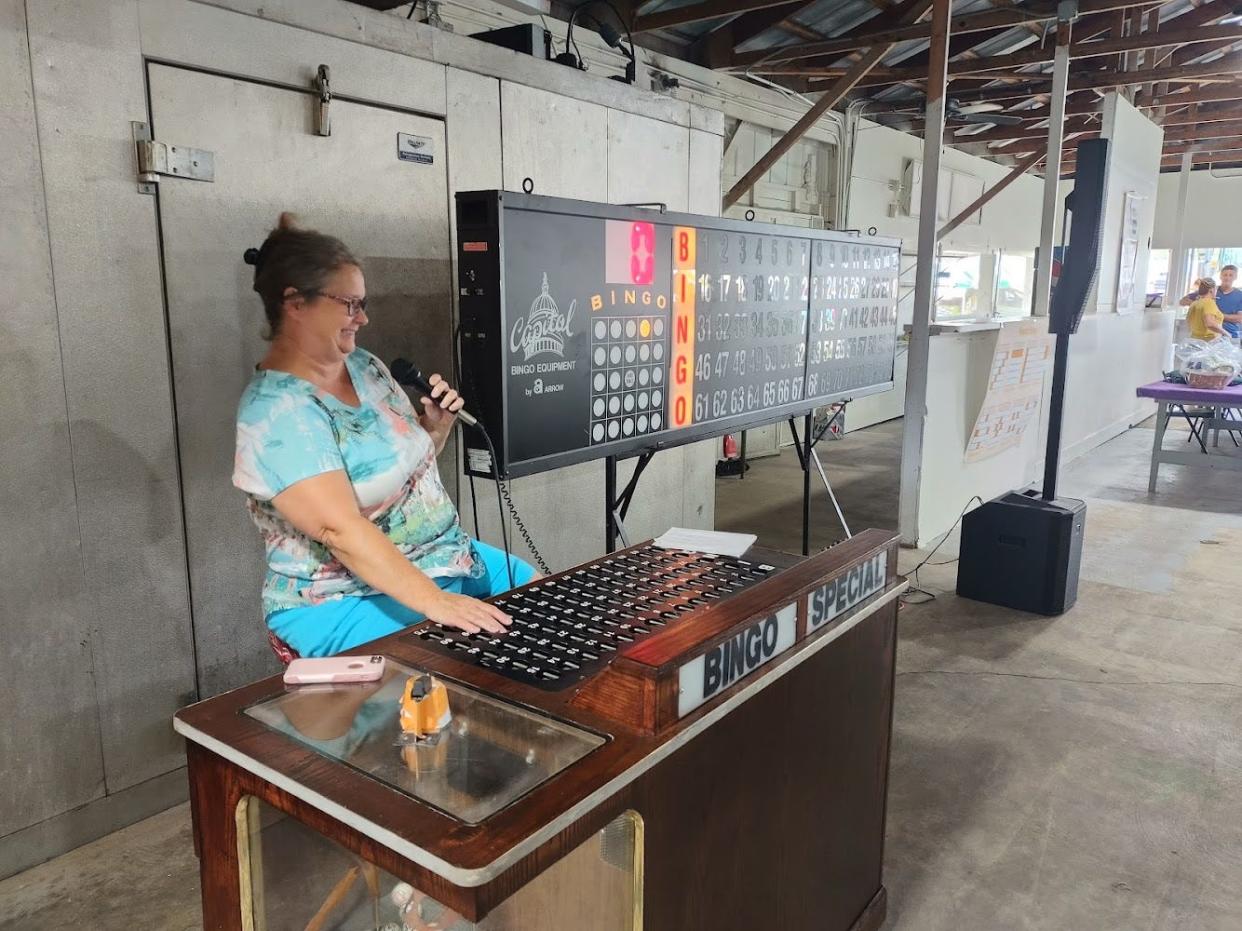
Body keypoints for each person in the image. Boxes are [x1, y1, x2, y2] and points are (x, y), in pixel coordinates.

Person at [233, 213, 533, 658]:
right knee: (466, 669)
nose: (364, 318)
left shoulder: (365, 367)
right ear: (295, 303)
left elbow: (400, 478)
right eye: (349, 304)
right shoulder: (276, 411)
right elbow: (340, 530)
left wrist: (434, 428)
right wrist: (437, 601)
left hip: (441, 558)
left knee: (545, 605)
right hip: (343, 596)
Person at [1180, 265, 1242, 339]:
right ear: (1220, 276)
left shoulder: (1239, 295)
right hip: (1209, 336)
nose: (1227, 278)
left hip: (1231, 335)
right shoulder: (1209, 290)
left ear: (1235, 277)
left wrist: (1214, 314)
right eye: (1225, 275)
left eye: (1231, 275)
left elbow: (1240, 319)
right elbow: (1182, 301)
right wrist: (1200, 305)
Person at [1185, 277, 1226, 341]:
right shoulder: (1209, 303)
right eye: (1216, 289)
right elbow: (1210, 324)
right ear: (1211, 290)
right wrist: (1225, 333)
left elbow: (1188, 321)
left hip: (1194, 341)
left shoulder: (1194, 303)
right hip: (1208, 343)